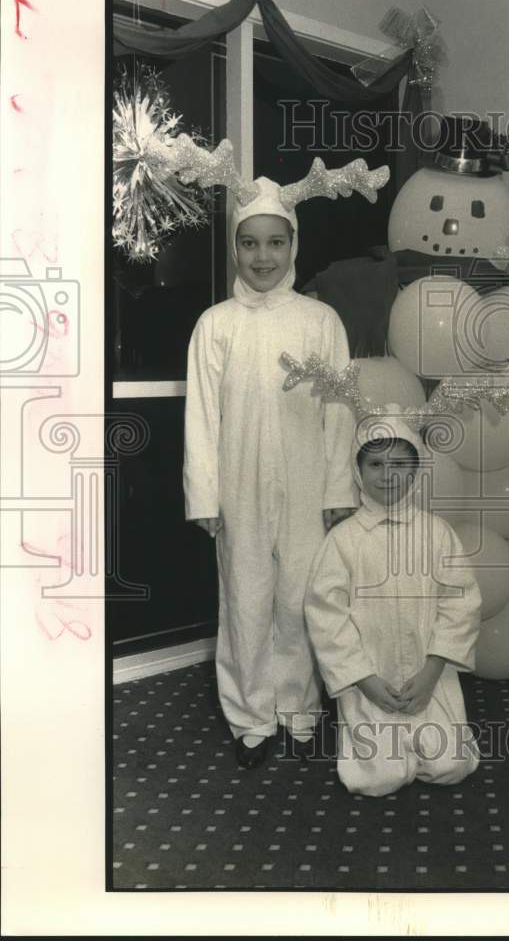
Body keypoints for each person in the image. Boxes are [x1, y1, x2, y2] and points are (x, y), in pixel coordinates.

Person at [183, 175, 357, 769]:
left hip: (310, 478)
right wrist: (205, 496)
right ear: (236, 248)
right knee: (247, 596)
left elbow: (340, 410)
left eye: (275, 243)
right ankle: (251, 715)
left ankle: (299, 708)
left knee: (301, 596)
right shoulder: (216, 324)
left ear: (293, 245)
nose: (263, 256)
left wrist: (340, 488)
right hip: (239, 484)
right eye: (250, 243)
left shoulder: (320, 321)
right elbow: (202, 417)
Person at [304, 410, 482, 797]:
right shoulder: (342, 540)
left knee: (452, 766)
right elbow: (326, 616)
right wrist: (363, 679)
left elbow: (461, 602)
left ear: (416, 471)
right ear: (358, 470)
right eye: (376, 464)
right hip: (371, 679)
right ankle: (383, 742)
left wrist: (434, 669)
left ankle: (428, 735)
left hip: (428, 675)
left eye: (400, 464)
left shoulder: (437, 533)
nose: (387, 475)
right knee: (377, 780)